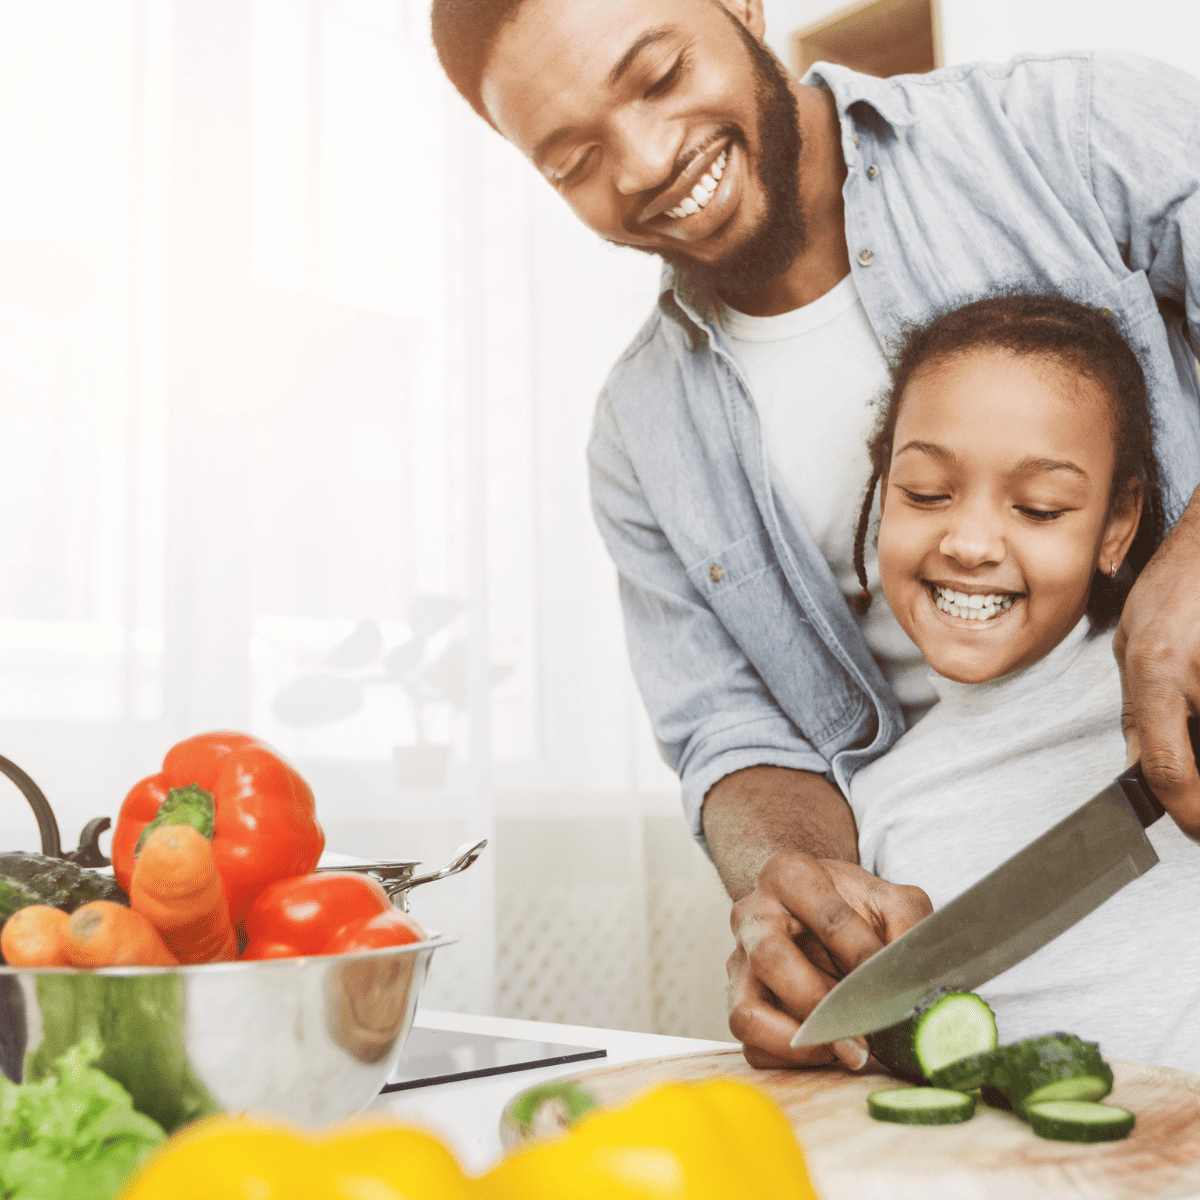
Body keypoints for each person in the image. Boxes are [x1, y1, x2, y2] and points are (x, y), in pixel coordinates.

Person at [430, 0, 1200, 1068]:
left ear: (741, 6)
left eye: (656, 76)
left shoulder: (1067, 129)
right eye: (573, 158)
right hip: (959, 915)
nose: (647, 161)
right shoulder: (639, 434)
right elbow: (732, 734)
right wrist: (787, 885)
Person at [842, 292, 1200, 1072]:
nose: (970, 543)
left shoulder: (1175, 706)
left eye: (1039, 508)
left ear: (1116, 524)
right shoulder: (879, 803)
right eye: (926, 492)